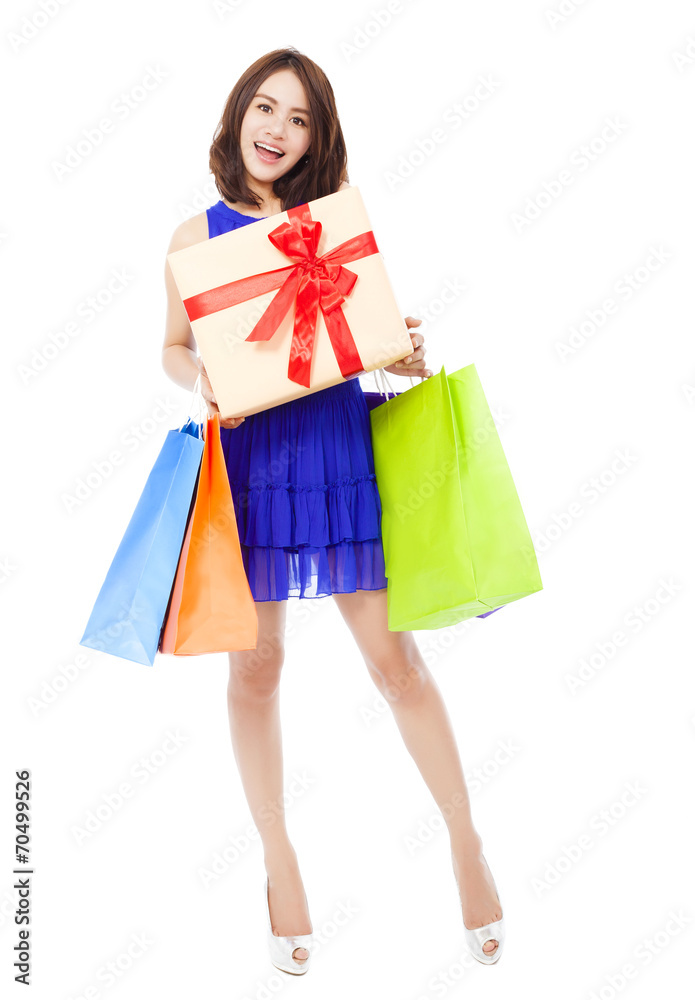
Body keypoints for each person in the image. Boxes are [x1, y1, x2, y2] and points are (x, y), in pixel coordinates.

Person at [162, 46, 504, 974]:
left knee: (395, 661)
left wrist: (399, 355)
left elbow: (358, 337)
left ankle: (465, 838)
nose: (276, 131)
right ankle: (278, 863)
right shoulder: (196, 237)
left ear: (319, 137)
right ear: (238, 115)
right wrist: (206, 376)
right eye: (265, 109)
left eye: (300, 118)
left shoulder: (329, 223)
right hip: (254, 462)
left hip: (336, 449)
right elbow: (172, 348)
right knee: (257, 668)